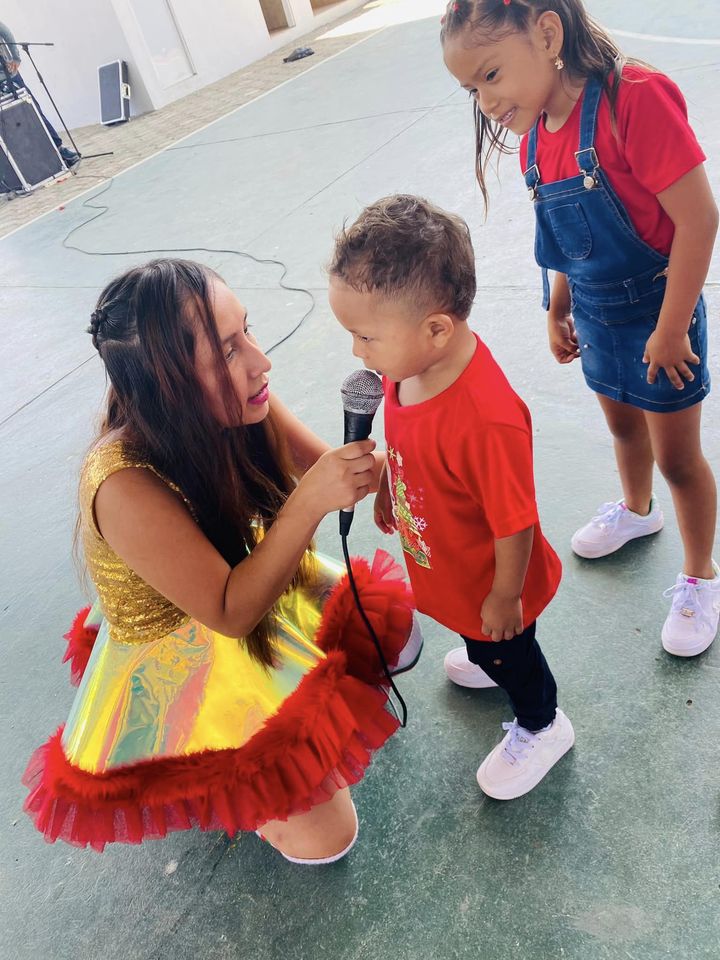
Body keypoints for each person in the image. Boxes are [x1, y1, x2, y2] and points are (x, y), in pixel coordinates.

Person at [22, 258, 420, 861]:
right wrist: (311, 502)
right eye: (228, 352)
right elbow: (231, 613)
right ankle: (219, 784)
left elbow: (321, 464)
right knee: (327, 840)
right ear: (169, 388)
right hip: (188, 646)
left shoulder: (243, 398)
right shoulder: (121, 484)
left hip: (254, 577)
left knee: (400, 641)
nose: (261, 361)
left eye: (246, 331)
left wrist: (389, 469)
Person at [441, 0, 719, 658]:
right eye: (472, 89)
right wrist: (558, 306)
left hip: (659, 312)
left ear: (547, 34)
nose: (486, 102)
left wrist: (672, 328)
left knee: (678, 458)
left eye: (490, 75)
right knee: (623, 428)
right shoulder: (534, 139)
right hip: (594, 312)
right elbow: (561, 241)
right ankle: (637, 510)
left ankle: (701, 576)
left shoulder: (634, 100)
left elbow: (699, 219)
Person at [329, 195, 573, 801]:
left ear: (436, 328)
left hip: (491, 578)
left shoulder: (486, 420)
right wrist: (389, 485)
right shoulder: (406, 369)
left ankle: (542, 722)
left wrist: (505, 596)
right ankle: (483, 652)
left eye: (366, 336)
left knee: (509, 650)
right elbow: (402, 439)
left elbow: (514, 523)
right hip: (447, 558)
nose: (358, 352)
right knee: (476, 634)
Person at [0, 19, 79, 167]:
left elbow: (6, 32)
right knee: (9, 126)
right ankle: (31, 164)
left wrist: (15, 58)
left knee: (33, 113)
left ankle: (59, 150)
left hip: (10, 77)